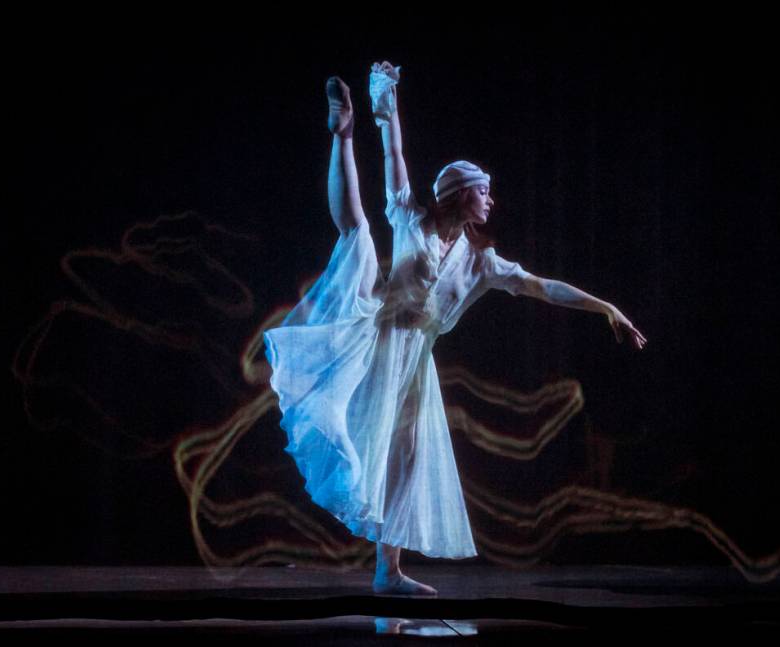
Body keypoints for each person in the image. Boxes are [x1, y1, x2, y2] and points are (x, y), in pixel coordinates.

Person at [262, 62, 647, 596]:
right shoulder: (412, 218)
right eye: (483, 191)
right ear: (460, 194)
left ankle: (387, 571)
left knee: (405, 458)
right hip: (378, 338)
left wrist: (607, 307)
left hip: (416, 359)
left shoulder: (480, 261)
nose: (491, 200)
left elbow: (542, 286)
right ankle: (342, 134)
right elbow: (396, 156)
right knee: (358, 238)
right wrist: (385, 104)